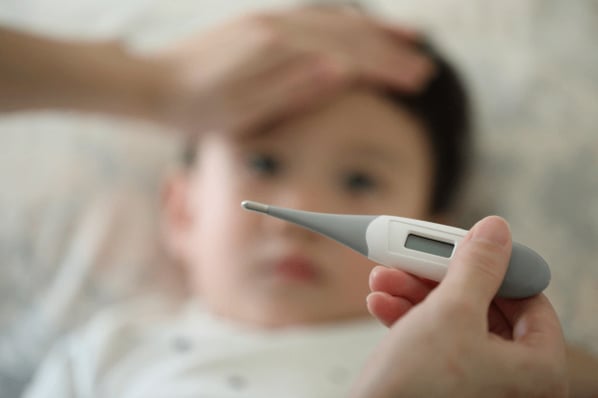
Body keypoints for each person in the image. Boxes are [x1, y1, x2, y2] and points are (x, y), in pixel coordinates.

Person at [4, 6, 596, 398]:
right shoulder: (108, 353)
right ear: (182, 210)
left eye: (360, 181)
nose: (301, 213)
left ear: (433, 239)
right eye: (262, 163)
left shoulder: (475, 359)